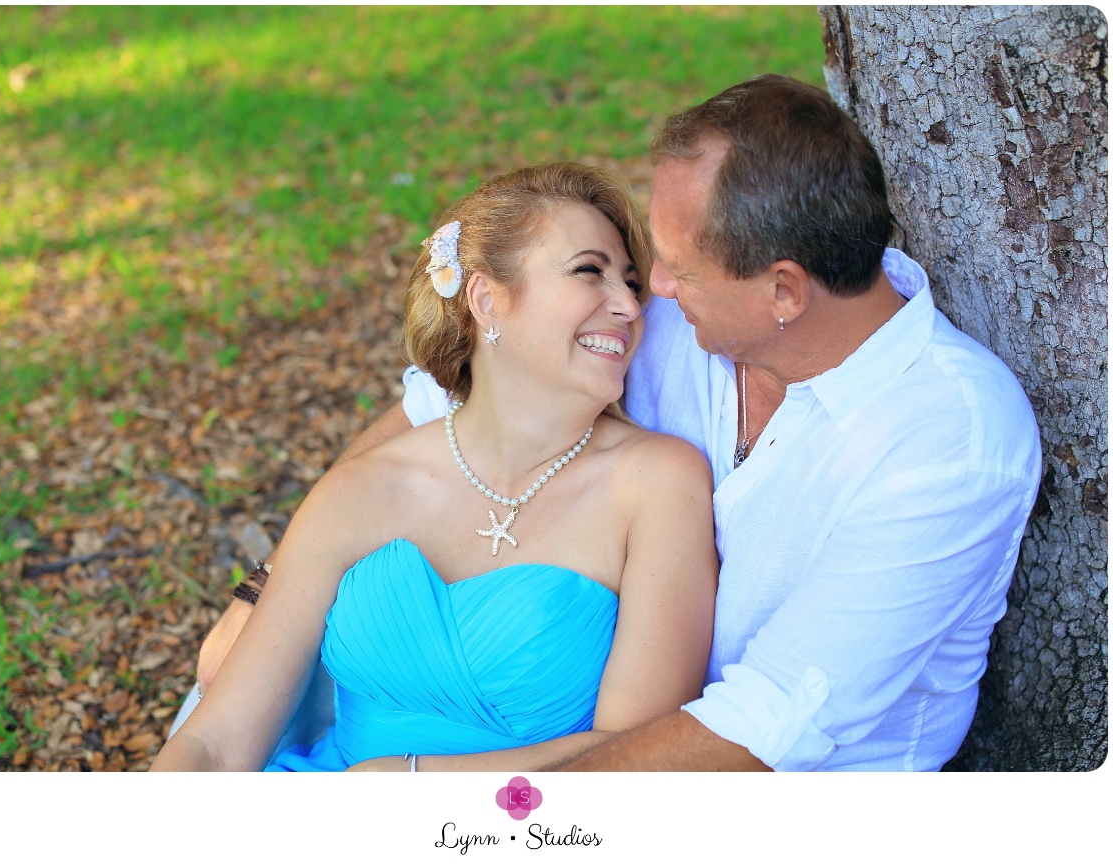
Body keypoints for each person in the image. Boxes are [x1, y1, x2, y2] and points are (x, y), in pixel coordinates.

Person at [193, 74, 1042, 772]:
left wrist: (436, 803)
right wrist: (268, 592)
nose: (647, 299)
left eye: (672, 271)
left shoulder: (952, 441)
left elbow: (761, 728)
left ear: (783, 291)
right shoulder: (684, 328)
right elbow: (440, 401)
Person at [153, 162, 719, 771]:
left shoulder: (658, 484)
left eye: (630, 283)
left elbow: (642, 758)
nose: (631, 307)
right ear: (486, 299)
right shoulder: (364, 487)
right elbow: (214, 743)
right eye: (591, 272)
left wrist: (416, 785)